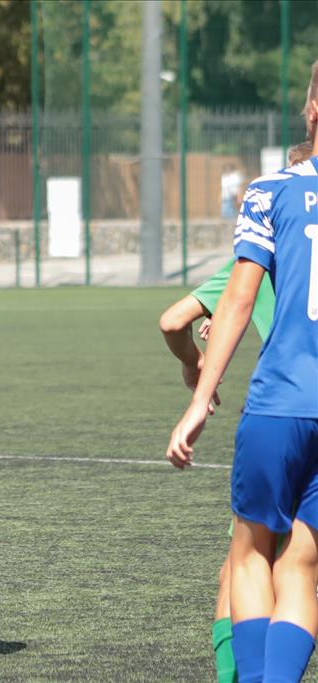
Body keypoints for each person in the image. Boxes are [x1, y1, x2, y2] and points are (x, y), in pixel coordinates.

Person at [167, 62, 318, 683]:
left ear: (311, 110)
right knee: (304, 567)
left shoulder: (271, 191)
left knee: (251, 554)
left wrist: (200, 398)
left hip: (281, 401)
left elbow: (235, 299)